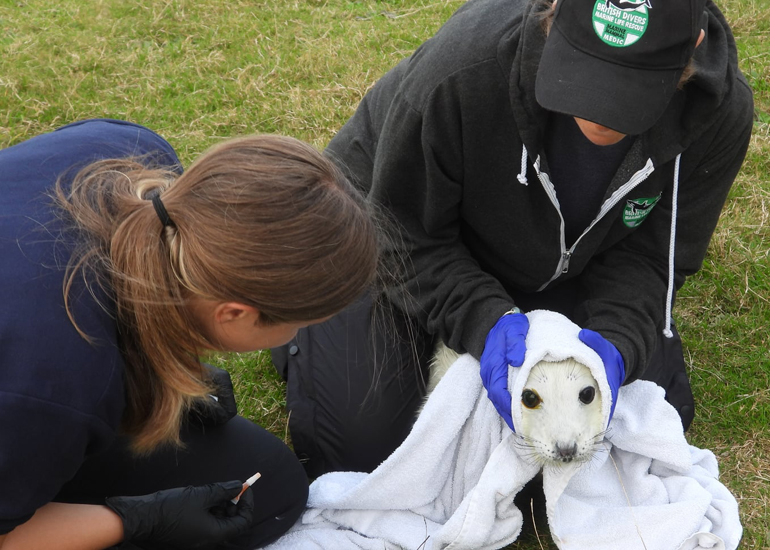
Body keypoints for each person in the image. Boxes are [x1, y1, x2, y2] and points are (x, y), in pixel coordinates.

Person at [271, 0, 754, 478]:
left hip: (560, 261)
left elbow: (654, 257)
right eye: (584, 73)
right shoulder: (462, 69)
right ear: (555, 13)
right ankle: (317, 330)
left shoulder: (717, 111)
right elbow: (399, 229)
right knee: (364, 452)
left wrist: (617, 340)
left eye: (633, 87)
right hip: (386, 240)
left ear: (692, 46)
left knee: (626, 446)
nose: (601, 114)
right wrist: (485, 320)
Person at [0, 119, 378, 549]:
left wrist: (161, 368)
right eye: (303, 323)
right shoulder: (55, 387)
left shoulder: (135, 155)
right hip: (26, 403)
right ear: (234, 313)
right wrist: (134, 521)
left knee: (268, 486)